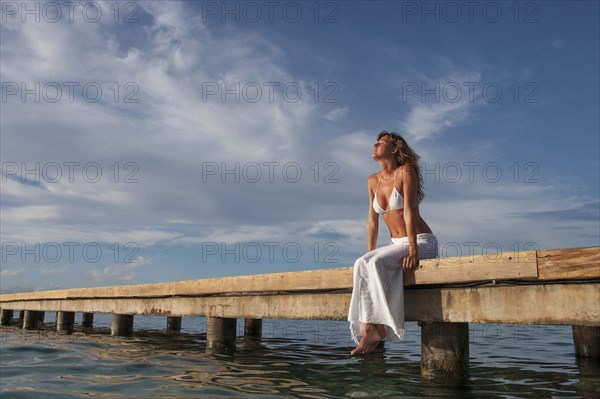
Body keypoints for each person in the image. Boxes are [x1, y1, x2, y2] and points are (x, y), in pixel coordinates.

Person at [348, 130, 438, 356]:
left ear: (394, 149)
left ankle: (377, 329)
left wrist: (414, 250)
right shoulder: (372, 181)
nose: (374, 145)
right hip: (396, 244)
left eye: (380, 143)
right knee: (362, 263)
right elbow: (372, 221)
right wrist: (369, 255)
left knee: (376, 262)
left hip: (420, 241)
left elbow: (408, 211)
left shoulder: (405, 172)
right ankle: (369, 328)